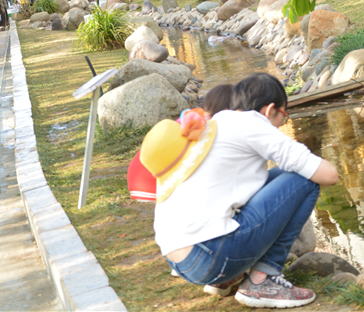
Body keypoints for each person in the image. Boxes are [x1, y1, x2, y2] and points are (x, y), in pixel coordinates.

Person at [142, 73, 338, 308]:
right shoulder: (253, 123)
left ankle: (225, 279)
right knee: (304, 180)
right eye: (283, 117)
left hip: (180, 260)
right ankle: (263, 280)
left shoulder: (216, 123)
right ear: (270, 110)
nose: (281, 125)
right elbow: (329, 175)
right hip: (208, 257)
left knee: (277, 176)